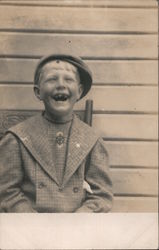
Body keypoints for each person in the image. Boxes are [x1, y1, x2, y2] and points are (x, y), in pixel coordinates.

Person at [0, 54, 113, 213]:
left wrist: (81, 217)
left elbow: (102, 195)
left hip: (76, 227)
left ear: (79, 91)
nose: (61, 85)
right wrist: (32, 221)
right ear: (38, 92)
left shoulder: (92, 140)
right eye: (52, 79)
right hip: (30, 227)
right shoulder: (17, 138)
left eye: (68, 79)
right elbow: (7, 193)